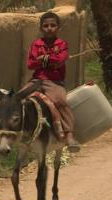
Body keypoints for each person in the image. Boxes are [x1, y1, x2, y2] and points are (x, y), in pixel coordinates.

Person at [24, 11, 80, 152]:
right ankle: (9, 133)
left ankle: (69, 135)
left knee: (61, 101)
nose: (49, 28)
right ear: (41, 28)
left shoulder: (61, 44)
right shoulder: (36, 44)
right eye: (46, 25)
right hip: (36, 80)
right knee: (18, 99)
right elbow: (31, 64)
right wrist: (44, 60)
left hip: (54, 81)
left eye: (53, 25)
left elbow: (60, 60)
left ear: (58, 28)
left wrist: (47, 59)